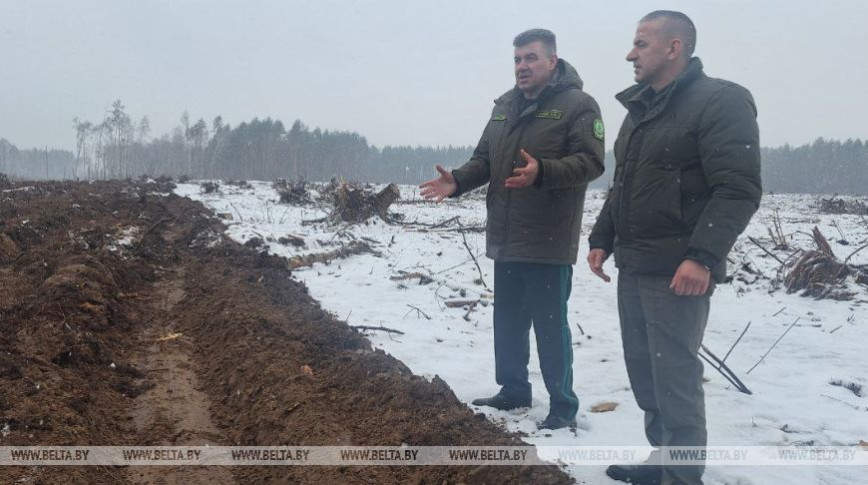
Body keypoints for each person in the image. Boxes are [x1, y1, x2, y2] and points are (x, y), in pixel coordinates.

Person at [587, 11, 762, 485]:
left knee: (676, 383)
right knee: (646, 377)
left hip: (679, 272)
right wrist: (603, 237)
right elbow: (623, 185)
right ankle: (660, 463)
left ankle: (682, 478)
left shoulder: (720, 101)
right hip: (636, 265)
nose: (630, 54)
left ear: (674, 47)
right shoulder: (641, 111)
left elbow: (737, 189)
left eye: (641, 44)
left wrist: (702, 256)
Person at [419, 29, 605, 430]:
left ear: (552, 62)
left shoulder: (578, 106)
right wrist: (457, 182)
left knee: (550, 327)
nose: (522, 66)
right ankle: (514, 390)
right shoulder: (504, 107)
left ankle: (562, 405)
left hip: (547, 238)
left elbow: (591, 162)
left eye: (531, 58)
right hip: (505, 236)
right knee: (508, 322)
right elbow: (484, 159)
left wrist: (544, 171)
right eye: (518, 59)